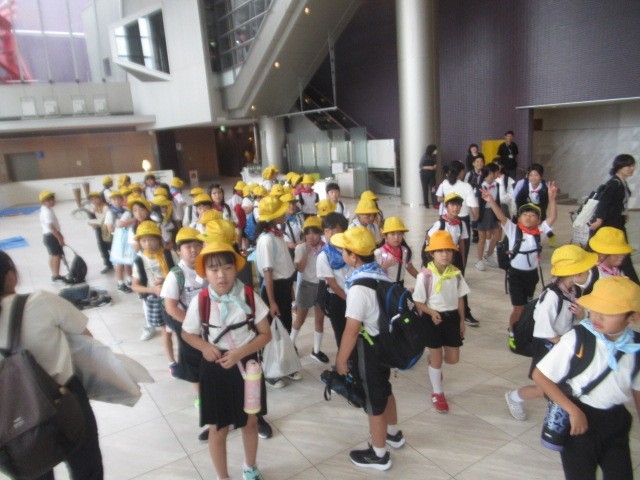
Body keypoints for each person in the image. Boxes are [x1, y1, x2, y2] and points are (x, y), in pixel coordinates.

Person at [0, 251, 104, 478]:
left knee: (34, 471)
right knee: (86, 468)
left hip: (9, 415)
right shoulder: (40, 301)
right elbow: (86, 337)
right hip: (63, 398)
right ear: (10, 276)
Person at [532, 276, 640, 480]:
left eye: (608, 312)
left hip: (616, 420)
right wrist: (573, 411)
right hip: (579, 420)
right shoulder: (578, 338)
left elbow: (637, 388)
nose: (597, 316)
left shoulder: (635, 347)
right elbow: (540, 376)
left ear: (632, 317)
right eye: (595, 308)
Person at [181, 242, 271, 480]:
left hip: (247, 367)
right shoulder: (201, 301)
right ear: (205, 273)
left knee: (250, 422)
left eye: (227, 268)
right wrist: (205, 347)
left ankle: (250, 467)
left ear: (235, 268)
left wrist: (240, 353)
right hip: (215, 368)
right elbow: (187, 333)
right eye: (214, 269)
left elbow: (265, 334)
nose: (221, 275)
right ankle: (223, 476)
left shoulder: (249, 296)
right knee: (218, 428)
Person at [333, 226, 403, 471]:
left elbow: (352, 330)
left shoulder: (358, 288)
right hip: (385, 343)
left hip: (370, 349)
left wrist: (341, 360)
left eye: (344, 250)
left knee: (374, 401)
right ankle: (393, 433)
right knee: (385, 389)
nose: (342, 253)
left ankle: (379, 454)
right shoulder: (380, 274)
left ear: (353, 256)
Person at [505, 245, 596, 421]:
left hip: (562, 343)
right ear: (575, 273)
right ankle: (514, 397)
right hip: (549, 345)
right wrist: (565, 345)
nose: (589, 273)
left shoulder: (573, 290)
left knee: (558, 384)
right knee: (546, 387)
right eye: (586, 270)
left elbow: (575, 318)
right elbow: (543, 330)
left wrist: (579, 314)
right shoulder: (551, 297)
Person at [481, 182, 558, 338]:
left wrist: (552, 198)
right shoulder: (513, 230)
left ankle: (522, 330)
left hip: (532, 276)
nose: (528, 217)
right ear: (519, 219)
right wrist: (491, 200)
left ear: (538, 220)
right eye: (524, 215)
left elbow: (552, 217)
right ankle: (512, 333)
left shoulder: (540, 232)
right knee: (518, 307)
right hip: (516, 275)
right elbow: (501, 217)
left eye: (532, 215)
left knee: (527, 306)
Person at [414, 231, 469, 413]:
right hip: (432, 320)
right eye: (440, 251)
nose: (445, 254)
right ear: (432, 253)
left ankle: (432, 363)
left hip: (452, 319)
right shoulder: (425, 276)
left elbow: (460, 299)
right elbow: (418, 302)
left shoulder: (456, 274)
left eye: (448, 250)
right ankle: (437, 392)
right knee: (438, 358)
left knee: (453, 359)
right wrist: (431, 312)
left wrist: (461, 321)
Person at [254, 196, 300, 388]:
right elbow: (268, 272)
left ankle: (285, 366)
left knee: (285, 328)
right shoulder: (266, 240)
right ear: (273, 217)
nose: (285, 213)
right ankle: (271, 372)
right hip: (274, 289)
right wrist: (271, 301)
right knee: (272, 331)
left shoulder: (277, 235)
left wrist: (290, 290)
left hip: (284, 286)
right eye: (281, 211)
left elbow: (285, 265)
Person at [426, 192, 478, 326]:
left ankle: (465, 313)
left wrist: (462, 260)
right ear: (446, 207)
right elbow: (428, 237)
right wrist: (435, 253)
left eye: (458, 205)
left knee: (460, 284)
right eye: (452, 205)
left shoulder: (461, 223)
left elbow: (462, 242)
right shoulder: (440, 223)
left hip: (455, 256)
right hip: (441, 257)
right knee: (441, 283)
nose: (456, 208)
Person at [590, 154, 638, 283]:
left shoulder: (621, 182)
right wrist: (599, 219)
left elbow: (619, 202)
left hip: (617, 224)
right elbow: (604, 201)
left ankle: (629, 283)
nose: (631, 168)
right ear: (619, 166)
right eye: (628, 165)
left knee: (622, 256)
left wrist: (623, 214)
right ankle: (634, 285)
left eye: (632, 165)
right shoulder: (614, 183)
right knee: (623, 256)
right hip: (610, 226)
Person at [131, 221, 179, 342]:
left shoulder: (169, 254)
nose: (148, 244)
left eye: (151, 239)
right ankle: (170, 355)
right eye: (143, 241)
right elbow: (135, 286)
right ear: (139, 242)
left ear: (158, 239)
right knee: (165, 331)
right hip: (156, 298)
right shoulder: (140, 261)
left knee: (179, 326)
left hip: (174, 294)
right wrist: (152, 289)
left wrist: (167, 279)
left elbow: (180, 272)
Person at [290, 216, 329, 363]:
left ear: (321, 233)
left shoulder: (326, 248)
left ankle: (316, 351)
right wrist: (306, 251)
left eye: (315, 233)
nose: (311, 236)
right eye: (308, 233)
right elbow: (300, 268)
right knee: (300, 319)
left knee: (320, 319)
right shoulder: (300, 248)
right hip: (306, 286)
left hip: (321, 286)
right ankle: (290, 345)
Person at [316, 212, 352, 349]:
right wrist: (349, 300)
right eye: (326, 231)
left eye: (334, 230)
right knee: (341, 334)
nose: (330, 234)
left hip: (354, 295)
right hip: (338, 299)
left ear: (344, 230)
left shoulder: (352, 249)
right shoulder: (324, 255)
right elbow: (333, 284)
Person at [582, 227, 637, 294]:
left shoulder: (615, 269)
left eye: (623, 252)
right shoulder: (591, 274)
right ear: (602, 254)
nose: (623, 255)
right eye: (617, 252)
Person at [513, 163, 556, 247]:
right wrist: (515, 212)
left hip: (539, 210)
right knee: (518, 226)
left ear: (541, 176)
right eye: (531, 175)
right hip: (523, 208)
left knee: (540, 226)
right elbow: (514, 198)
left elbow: (547, 203)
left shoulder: (545, 186)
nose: (533, 178)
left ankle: (549, 236)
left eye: (536, 175)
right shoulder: (522, 183)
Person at [474, 163, 503, 271]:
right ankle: (479, 260)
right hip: (483, 213)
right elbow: (476, 203)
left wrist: (499, 215)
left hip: (494, 211)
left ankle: (489, 254)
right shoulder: (480, 186)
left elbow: (498, 200)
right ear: (491, 172)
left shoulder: (497, 184)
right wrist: (476, 216)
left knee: (497, 234)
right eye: (497, 172)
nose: (498, 174)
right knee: (482, 237)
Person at [374, 217, 418, 284]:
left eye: (399, 234)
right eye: (392, 234)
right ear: (385, 236)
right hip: (385, 286)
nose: (396, 237)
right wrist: (385, 265)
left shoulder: (405, 251)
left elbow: (410, 267)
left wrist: (421, 279)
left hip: (400, 285)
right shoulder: (378, 253)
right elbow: (373, 272)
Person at [39, 190, 70, 284]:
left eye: (53, 199)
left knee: (52, 255)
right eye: (49, 200)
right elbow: (51, 226)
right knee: (57, 256)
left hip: (47, 236)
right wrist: (59, 238)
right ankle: (56, 276)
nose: (52, 201)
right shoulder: (47, 212)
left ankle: (54, 275)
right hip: (52, 236)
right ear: (43, 202)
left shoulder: (45, 209)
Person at [87, 191, 113, 274]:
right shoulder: (93, 208)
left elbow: (102, 220)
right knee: (102, 247)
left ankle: (118, 263)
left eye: (96, 198)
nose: (94, 201)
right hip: (99, 229)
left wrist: (91, 222)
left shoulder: (105, 207)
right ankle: (108, 264)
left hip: (107, 229)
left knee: (111, 246)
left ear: (100, 198)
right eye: (92, 199)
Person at [419, 144, 438, 209]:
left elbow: (435, 163)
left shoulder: (434, 156)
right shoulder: (424, 156)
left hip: (432, 175)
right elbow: (420, 166)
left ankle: (434, 204)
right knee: (425, 189)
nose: (436, 151)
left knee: (433, 190)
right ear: (432, 150)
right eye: (435, 149)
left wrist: (435, 166)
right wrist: (429, 167)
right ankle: (426, 204)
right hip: (424, 175)